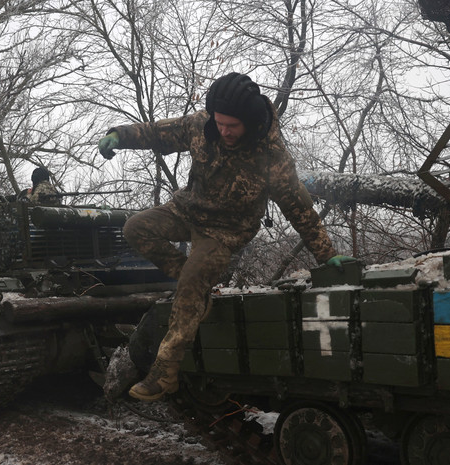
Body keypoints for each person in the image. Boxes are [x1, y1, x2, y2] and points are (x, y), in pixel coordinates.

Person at [98, 72, 353, 402]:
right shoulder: (203, 125)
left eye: (232, 125)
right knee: (135, 228)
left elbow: (300, 210)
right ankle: (198, 291)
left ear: (250, 122)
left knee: (190, 282)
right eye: (220, 123)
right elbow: (158, 133)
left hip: (225, 232)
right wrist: (119, 135)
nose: (224, 131)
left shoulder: (272, 158)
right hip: (188, 209)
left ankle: (165, 371)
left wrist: (326, 253)